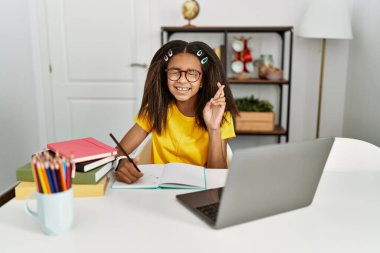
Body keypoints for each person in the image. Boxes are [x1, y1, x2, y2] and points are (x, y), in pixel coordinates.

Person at [115, 40, 238, 184]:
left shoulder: (220, 113)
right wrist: (121, 163)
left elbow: (217, 178)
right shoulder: (156, 110)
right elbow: (117, 153)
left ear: (202, 81)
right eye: (175, 72)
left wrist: (214, 128)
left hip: (199, 193)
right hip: (158, 191)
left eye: (192, 73)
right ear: (165, 76)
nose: (182, 80)